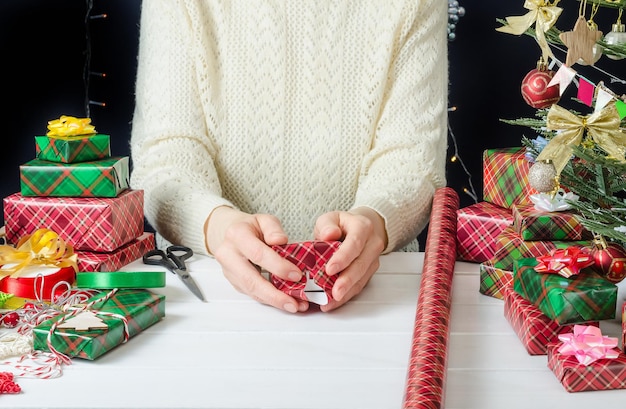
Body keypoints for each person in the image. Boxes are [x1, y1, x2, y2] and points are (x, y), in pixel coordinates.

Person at [130, 0, 448, 313]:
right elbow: (164, 156)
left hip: (375, 295)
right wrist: (217, 226)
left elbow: (412, 160)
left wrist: (375, 221)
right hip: (210, 293)